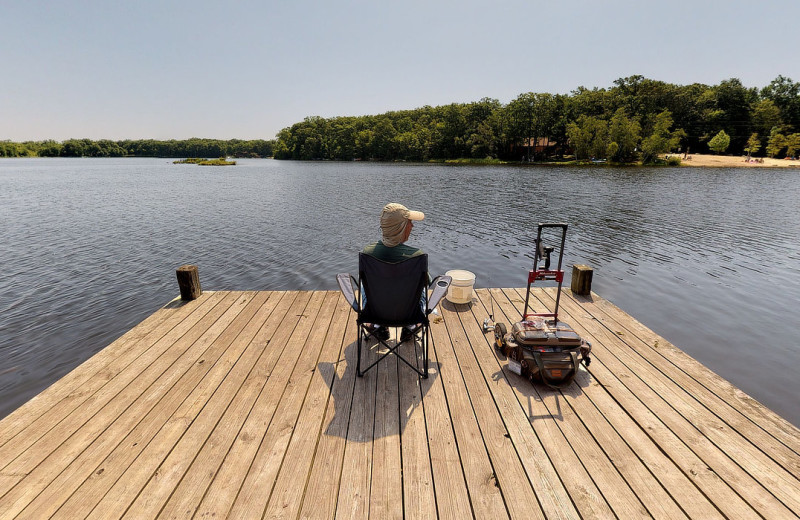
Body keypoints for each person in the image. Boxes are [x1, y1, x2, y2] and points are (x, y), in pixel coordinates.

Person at [361, 202, 426, 341]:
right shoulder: (417, 256)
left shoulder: (367, 253)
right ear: (400, 228)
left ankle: (377, 325)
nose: (412, 226)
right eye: (410, 222)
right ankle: (411, 327)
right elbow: (427, 283)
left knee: (364, 283)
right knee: (422, 286)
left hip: (376, 312)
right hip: (408, 313)